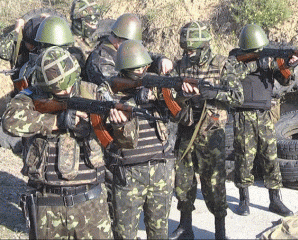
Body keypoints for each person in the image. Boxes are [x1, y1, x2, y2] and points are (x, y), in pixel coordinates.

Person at [1, 46, 113, 239]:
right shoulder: (31, 96)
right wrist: (56, 121)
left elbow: (123, 141)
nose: (65, 91)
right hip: (46, 203)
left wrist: (119, 124)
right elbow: (10, 121)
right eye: (57, 88)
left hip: (90, 203)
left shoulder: (93, 93)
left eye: (66, 85)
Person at [169, 21, 244, 240]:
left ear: (204, 46)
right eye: (185, 50)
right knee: (183, 181)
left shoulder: (222, 64)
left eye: (191, 50)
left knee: (214, 185)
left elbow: (238, 96)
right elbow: (170, 94)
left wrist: (214, 95)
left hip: (212, 135)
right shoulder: (181, 65)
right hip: (186, 131)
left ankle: (220, 231)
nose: (188, 54)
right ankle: (185, 226)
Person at [97, 39, 176, 239]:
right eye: (137, 69)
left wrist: (178, 94)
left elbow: (177, 111)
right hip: (128, 171)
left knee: (159, 232)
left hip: (160, 167)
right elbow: (105, 109)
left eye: (145, 67)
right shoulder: (108, 88)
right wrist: (134, 100)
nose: (142, 71)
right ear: (125, 68)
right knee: (125, 233)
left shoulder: (154, 83)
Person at [229, 23, 298, 217]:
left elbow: (285, 81)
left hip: (264, 115)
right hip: (243, 115)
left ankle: (275, 200)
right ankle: (244, 199)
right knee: (244, 157)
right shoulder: (235, 57)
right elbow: (233, 73)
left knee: (270, 157)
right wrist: (257, 63)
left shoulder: (268, 59)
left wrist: (288, 66)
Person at [85, 12, 173, 85]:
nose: (133, 46)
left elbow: (144, 57)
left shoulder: (123, 50)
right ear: (120, 39)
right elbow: (113, 85)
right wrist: (144, 84)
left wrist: (161, 60)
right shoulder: (100, 59)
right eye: (131, 43)